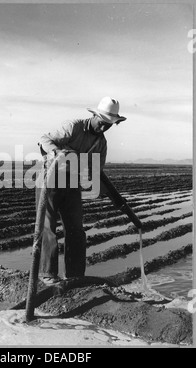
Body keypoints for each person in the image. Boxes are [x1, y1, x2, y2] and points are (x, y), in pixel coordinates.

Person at [36, 96, 127, 284]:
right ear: (95, 116)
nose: (103, 128)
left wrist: (99, 187)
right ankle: (47, 275)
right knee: (48, 227)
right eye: (102, 123)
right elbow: (45, 139)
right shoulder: (74, 127)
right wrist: (56, 153)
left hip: (72, 182)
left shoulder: (101, 144)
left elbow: (96, 171)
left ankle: (75, 276)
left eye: (108, 125)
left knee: (76, 230)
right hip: (49, 178)